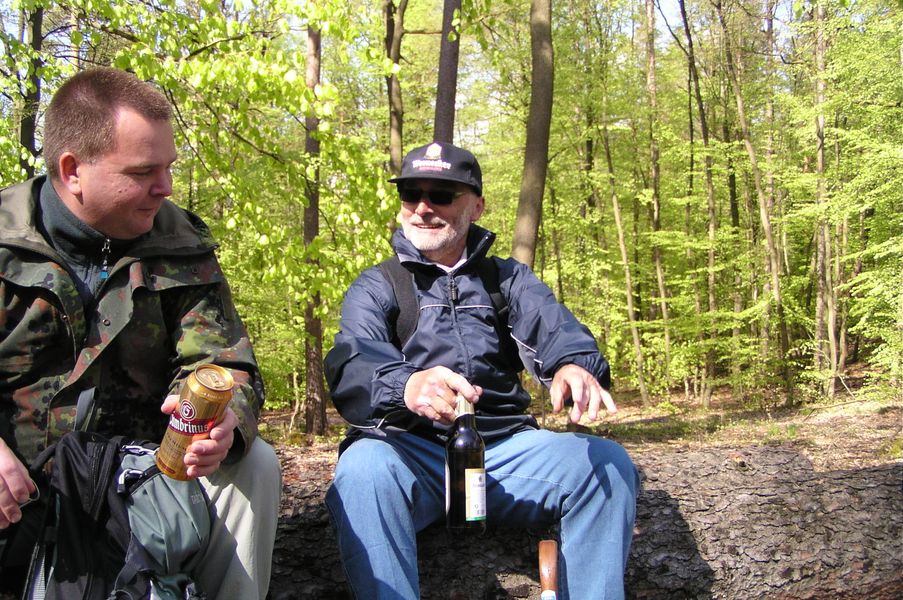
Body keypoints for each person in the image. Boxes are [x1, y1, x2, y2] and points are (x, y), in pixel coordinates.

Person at [0, 67, 281, 600]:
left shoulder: (181, 243)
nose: (165, 187)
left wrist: (226, 418)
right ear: (72, 170)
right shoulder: (6, 243)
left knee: (254, 466)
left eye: (168, 167)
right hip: (21, 479)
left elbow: (226, 362)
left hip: (142, 473)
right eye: (143, 171)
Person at [324, 141, 639, 599]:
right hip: (409, 452)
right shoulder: (377, 285)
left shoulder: (507, 280)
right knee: (362, 470)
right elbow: (353, 361)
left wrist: (574, 365)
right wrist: (407, 384)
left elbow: (556, 329)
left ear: (476, 206)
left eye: (441, 195)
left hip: (504, 452)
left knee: (606, 465)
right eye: (411, 194)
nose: (423, 208)